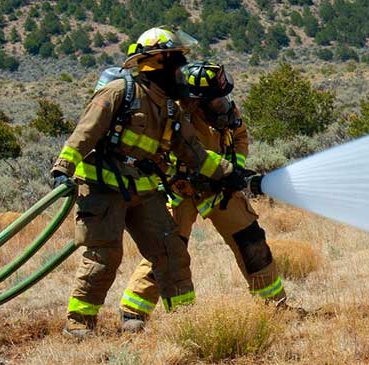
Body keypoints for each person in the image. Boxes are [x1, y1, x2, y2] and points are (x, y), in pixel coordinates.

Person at [50, 27, 248, 338]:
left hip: (143, 191)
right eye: (177, 63)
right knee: (104, 256)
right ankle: (79, 325)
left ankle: (187, 324)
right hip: (103, 189)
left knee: (171, 253)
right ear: (158, 63)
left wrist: (227, 172)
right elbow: (85, 132)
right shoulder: (120, 92)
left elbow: (194, 153)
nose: (181, 71)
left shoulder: (170, 106)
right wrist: (63, 167)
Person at [116, 61, 286, 332]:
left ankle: (275, 307)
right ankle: (133, 314)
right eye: (217, 100)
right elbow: (158, 154)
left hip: (220, 191)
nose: (225, 104)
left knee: (252, 241)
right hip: (180, 192)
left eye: (225, 97)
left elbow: (240, 136)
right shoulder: (175, 117)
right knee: (166, 251)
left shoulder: (226, 112)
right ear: (195, 102)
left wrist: (236, 168)